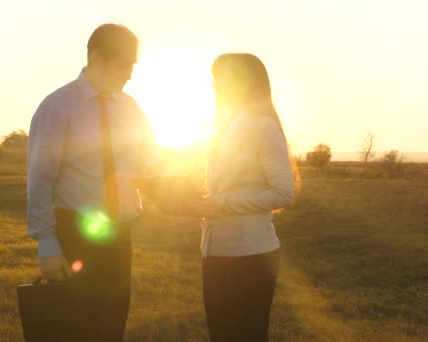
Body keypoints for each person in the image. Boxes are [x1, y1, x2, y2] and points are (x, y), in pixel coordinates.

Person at [27, 23, 156, 341]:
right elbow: (40, 180)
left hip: (120, 235)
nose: (129, 74)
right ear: (95, 59)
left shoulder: (131, 108)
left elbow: (148, 163)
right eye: (123, 65)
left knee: (112, 328)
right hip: (75, 234)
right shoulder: (56, 108)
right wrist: (47, 245)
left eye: (133, 65)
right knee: (74, 330)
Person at [188, 53, 299, 341]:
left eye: (222, 79)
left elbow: (284, 193)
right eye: (214, 80)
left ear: (244, 82)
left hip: (252, 256)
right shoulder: (220, 125)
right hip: (214, 252)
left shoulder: (263, 126)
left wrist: (222, 203)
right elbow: (225, 188)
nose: (215, 86)